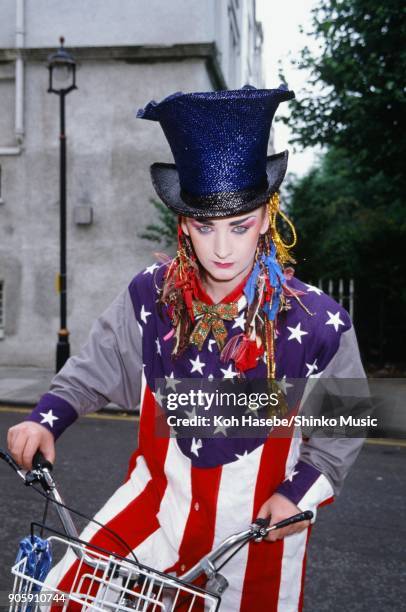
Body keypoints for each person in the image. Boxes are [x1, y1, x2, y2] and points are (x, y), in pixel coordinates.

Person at [7, 85, 366, 611]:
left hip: (254, 540)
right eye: (205, 226)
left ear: (266, 217)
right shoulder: (149, 295)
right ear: (184, 225)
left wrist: (296, 495)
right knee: (60, 598)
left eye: (239, 226)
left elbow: (343, 428)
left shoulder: (319, 323)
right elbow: (95, 368)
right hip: (155, 512)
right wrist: (46, 418)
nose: (222, 248)